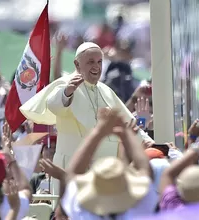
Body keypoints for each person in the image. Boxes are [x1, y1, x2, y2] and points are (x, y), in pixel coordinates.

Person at [20, 42, 151, 194]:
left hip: (106, 170)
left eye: (99, 62)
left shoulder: (106, 90)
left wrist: (146, 140)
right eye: (90, 62)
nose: (96, 67)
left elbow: (128, 123)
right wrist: (67, 93)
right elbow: (54, 105)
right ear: (77, 64)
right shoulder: (66, 83)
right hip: (73, 169)